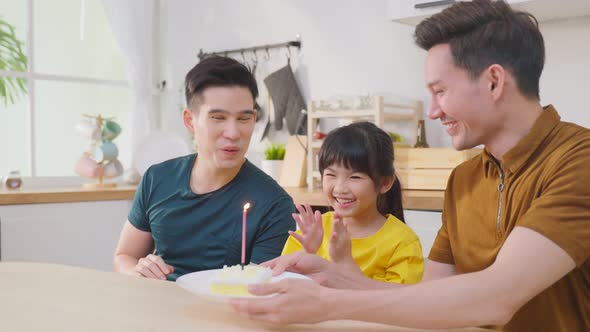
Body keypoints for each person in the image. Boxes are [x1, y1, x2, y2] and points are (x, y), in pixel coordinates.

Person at [231, 1, 590, 330]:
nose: (433, 111)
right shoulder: (464, 179)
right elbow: (430, 298)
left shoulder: (579, 160)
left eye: (441, 91)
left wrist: (328, 303)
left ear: (494, 81)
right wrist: (333, 277)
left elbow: (498, 297)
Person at [113, 56, 296, 281]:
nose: (233, 132)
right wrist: (138, 270)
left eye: (243, 119)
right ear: (190, 121)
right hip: (156, 308)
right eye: (218, 118)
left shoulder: (275, 205)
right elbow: (124, 256)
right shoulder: (156, 178)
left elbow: (259, 289)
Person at [282, 122, 423, 284]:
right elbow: (285, 288)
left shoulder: (402, 243)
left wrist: (345, 262)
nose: (340, 188)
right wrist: (308, 254)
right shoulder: (312, 231)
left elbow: (396, 304)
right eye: (331, 175)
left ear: (384, 183)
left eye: (355, 177)